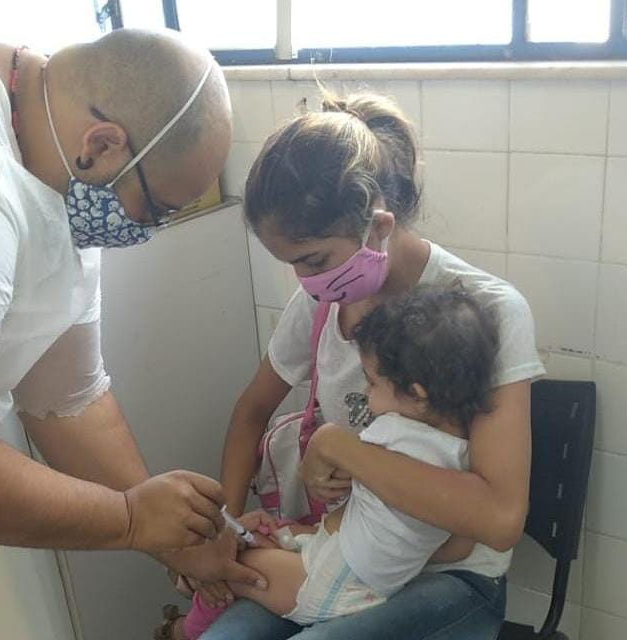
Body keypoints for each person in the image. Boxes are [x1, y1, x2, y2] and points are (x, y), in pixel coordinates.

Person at [0, 27, 265, 639]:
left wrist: (177, 537)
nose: (144, 231)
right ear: (102, 144)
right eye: (154, 210)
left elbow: (68, 397)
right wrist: (129, 519)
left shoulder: (63, 171)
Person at [199, 92, 546, 639]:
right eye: (292, 265)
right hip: (341, 552)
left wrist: (341, 448)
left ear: (378, 226)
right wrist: (225, 526)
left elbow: (499, 520)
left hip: (451, 576)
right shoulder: (321, 302)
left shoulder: (486, 313)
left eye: (314, 260)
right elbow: (251, 412)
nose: (306, 282)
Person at [156, 283, 502, 640]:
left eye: (372, 383)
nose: (366, 393)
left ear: (417, 394)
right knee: (257, 540)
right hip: (367, 584)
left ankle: (183, 632)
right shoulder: (463, 455)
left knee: (225, 566)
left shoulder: (389, 436)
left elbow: (339, 508)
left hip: (329, 581)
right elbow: (457, 546)